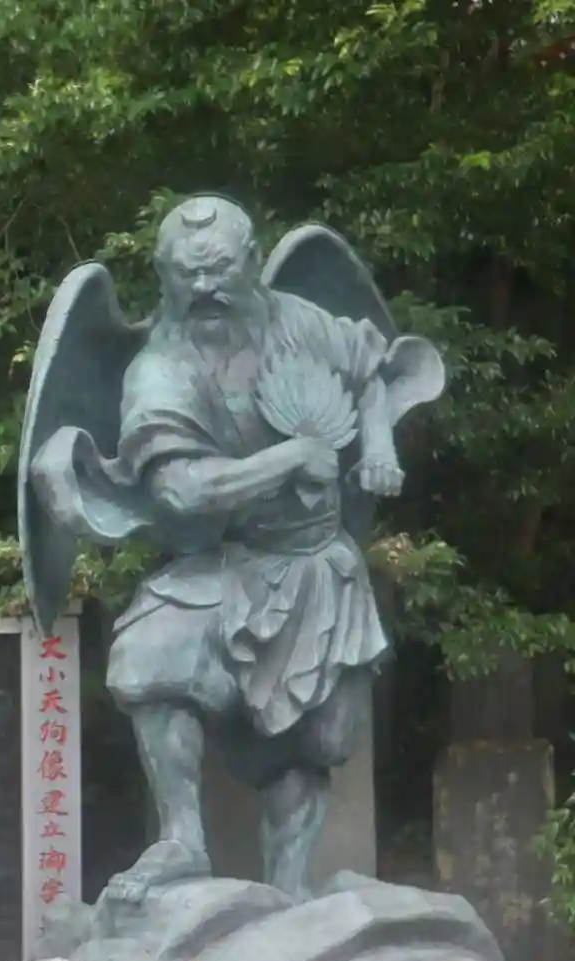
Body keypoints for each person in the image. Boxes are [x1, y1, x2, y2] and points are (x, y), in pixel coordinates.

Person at [31, 196, 407, 901]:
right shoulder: (159, 370)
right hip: (222, 559)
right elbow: (181, 493)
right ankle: (181, 839)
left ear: (254, 260)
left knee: (316, 740)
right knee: (148, 653)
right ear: (162, 276)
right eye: (187, 274)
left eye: (219, 269)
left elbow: (372, 372)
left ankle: (290, 890)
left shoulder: (302, 322)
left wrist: (380, 442)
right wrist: (289, 457)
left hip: (316, 563)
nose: (204, 288)